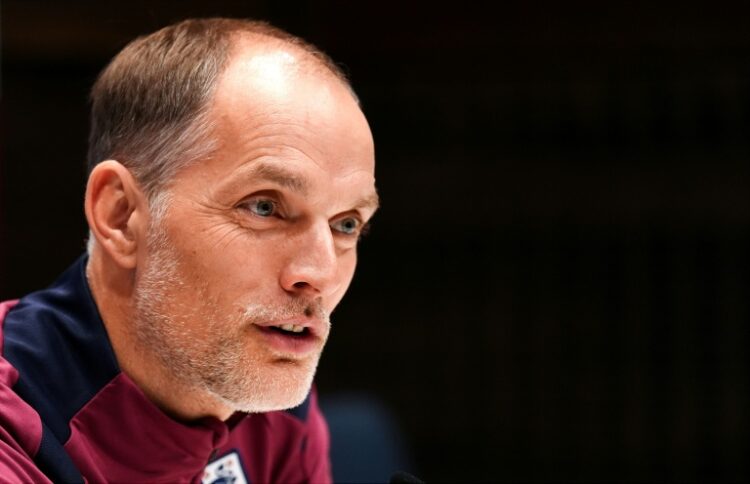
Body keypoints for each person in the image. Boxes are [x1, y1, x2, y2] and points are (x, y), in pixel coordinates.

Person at [0, 17, 378, 483]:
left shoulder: (269, 401)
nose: (319, 274)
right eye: (264, 207)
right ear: (121, 216)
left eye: (346, 224)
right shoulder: (13, 426)